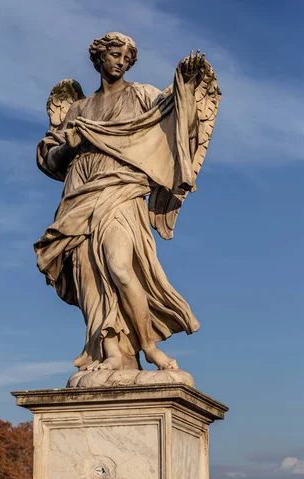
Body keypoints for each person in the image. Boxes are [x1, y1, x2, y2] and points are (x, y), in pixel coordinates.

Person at [35, 32, 217, 372]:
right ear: (99, 57)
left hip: (121, 189)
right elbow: (51, 161)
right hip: (79, 192)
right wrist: (70, 144)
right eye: (115, 55)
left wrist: (187, 88)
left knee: (120, 266)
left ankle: (148, 346)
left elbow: (180, 128)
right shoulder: (78, 107)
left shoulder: (144, 95)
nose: (120, 61)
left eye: (126, 58)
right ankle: (110, 351)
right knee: (88, 275)